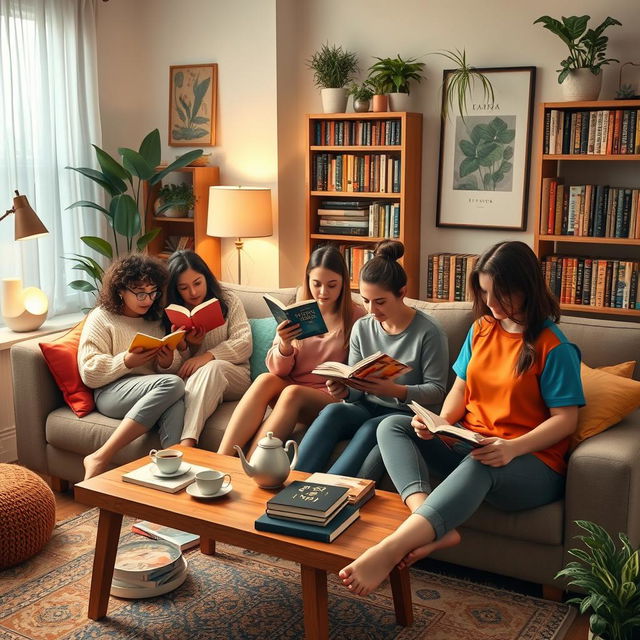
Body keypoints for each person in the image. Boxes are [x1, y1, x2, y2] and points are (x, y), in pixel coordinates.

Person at [338, 240, 585, 596]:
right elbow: (459, 392)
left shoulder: (554, 346)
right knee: (393, 424)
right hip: (470, 439)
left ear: (526, 288)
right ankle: (426, 519)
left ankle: (390, 549)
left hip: (531, 462)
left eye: (501, 296)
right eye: (485, 294)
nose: (493, 305)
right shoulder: (481, 329)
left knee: (482, 461)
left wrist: (512, 448)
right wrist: (435, 422)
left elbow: (565, 421)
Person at [295, 240, 449, 478]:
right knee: (332, 413)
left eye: (380, 302)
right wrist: (344, 390)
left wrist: (396, 390)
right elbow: (357, 390)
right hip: (366, 406)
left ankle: (327, 490)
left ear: (402, 293)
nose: (371, 311)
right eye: (365, 300)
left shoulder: (429, 332)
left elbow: (437, 390)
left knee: (370, 429)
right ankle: (293, 482)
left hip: (405, 414)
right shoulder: (362, 327)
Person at [217, 244, 365, 457]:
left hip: (327, 397)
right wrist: (285, 346)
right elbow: (278, 372)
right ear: (308, 281)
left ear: (343, 283)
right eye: (317, 284)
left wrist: (344, 383)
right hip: (290, 388)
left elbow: (357, 371)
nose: (323, 292)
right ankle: (221, 458)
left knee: (292, 392)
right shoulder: (298, 311)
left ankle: (252, 465)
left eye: (332, 285)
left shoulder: (356, 317)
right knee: (264, 380)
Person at [79, 254, 185, 480]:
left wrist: (166, 361)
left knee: (176, 399)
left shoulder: (155, 319)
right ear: (120, 290)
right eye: (140, 293)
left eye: (152, 292)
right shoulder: (101, 318)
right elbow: (89, 372)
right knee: (174, 385)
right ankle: (100, 456)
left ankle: (170, 471)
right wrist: (126, 361)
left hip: (150, 390)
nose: (147, 300)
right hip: (110, 392)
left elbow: (168, 370)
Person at [166, 249, 252, 447]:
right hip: (196, 379)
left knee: (212, 368)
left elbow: (244, 343)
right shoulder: (172, 311)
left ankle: (187, 442)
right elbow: (176, 369)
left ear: (206, 277)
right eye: (184, 288)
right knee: (195, 378)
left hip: (235, 375)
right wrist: (186, 347)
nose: (193, 292)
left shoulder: (229, 301)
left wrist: (207, 356)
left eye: (197, 283)